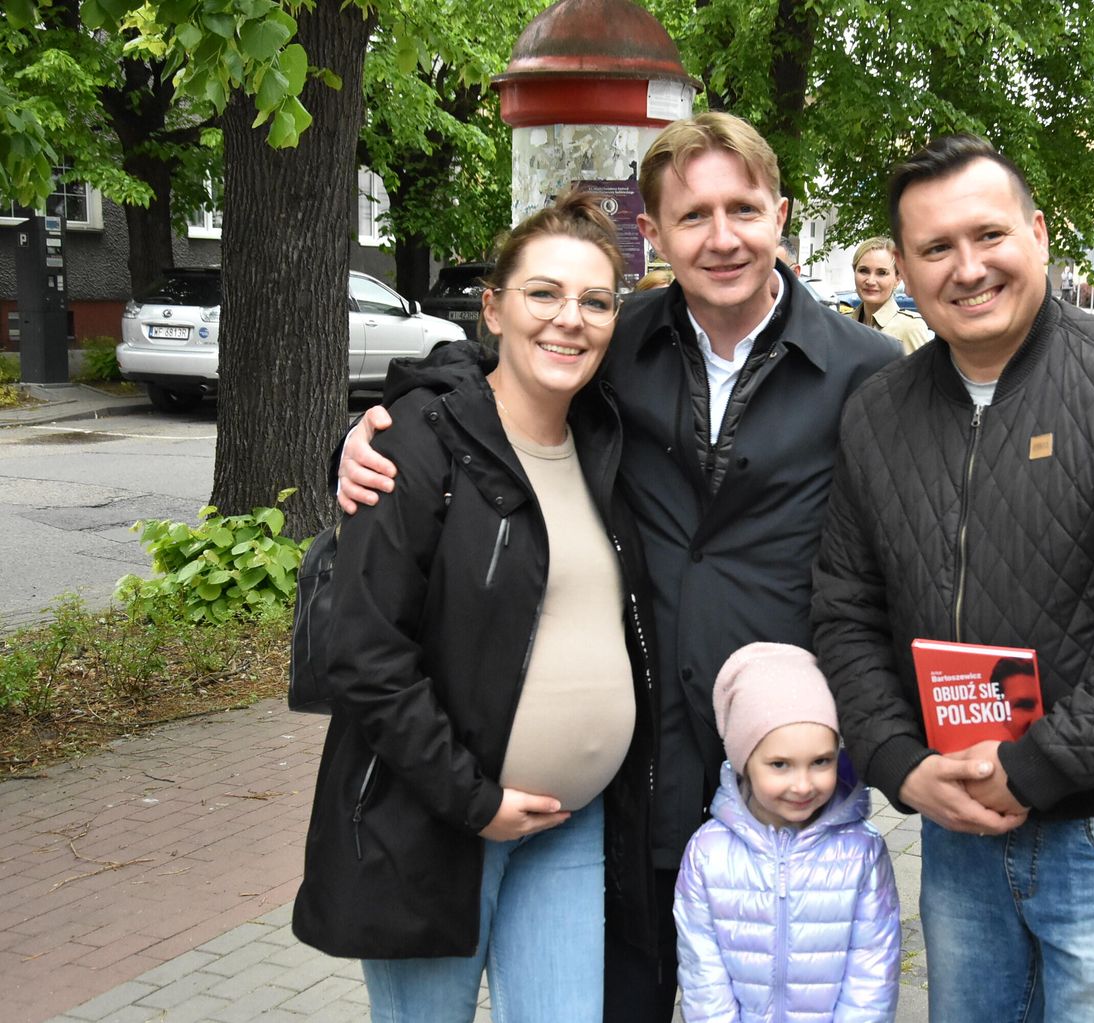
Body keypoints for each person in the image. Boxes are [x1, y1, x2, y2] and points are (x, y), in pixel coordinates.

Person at [333, 112, 901, 1021]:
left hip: (777, 778)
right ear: (655, 232)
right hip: (636, 784)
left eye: (743, 209)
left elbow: (897, 548)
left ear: (781, 214)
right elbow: (495, 371)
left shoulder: (864, 368)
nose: (721, 237)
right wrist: (369, 431)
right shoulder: (617, 340)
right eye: (693, 215)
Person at [811, 134, 1094, 1022]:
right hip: (958, 823)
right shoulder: (878, 414)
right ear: (905, 267)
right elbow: (846, 610)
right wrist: (900, 763)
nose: (967, 268)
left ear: (1038, 234)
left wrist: (1034, 766)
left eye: (989, 235)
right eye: (936, 247)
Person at [293, 191, 656, 1023]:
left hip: (570, 823)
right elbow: (366, 652)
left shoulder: (605, 440)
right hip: (434, 824)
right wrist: (475, 801)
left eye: (596, 301)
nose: (569, 319)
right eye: (543, 293)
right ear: (493, 308)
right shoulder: (419, 440)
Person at [674, 642, 899, 1022]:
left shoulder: (861, 851)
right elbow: (702, 975)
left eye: (821, 761)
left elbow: (873, 971)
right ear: (744, 762)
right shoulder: (707, 852)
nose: (803, 784)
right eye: (780, 764)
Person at [847, 236, 928, 355]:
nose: (870, 281)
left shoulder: (910, 327)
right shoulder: (843, 323)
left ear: (898, 278)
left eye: (882, 273)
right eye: (864, 270)